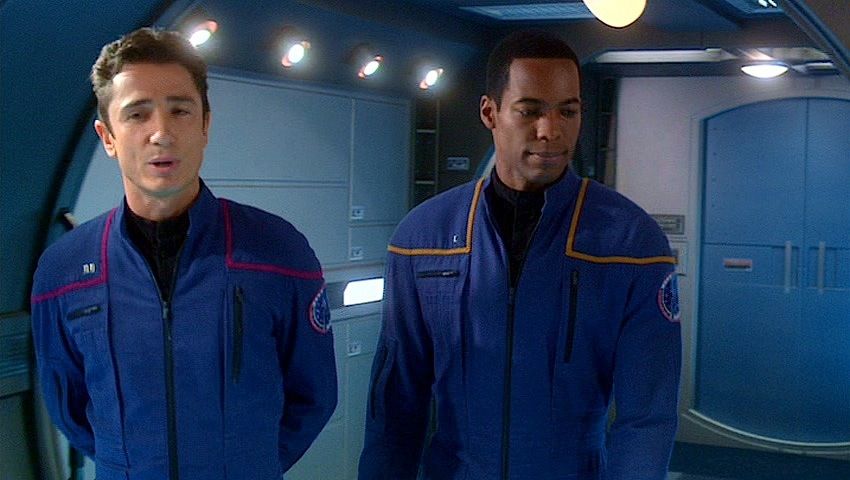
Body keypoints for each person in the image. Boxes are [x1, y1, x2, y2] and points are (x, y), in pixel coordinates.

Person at [359, 30, 681, 480]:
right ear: (489, 113)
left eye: (568, 111)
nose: (550, 131)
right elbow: (396, 405)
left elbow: (646, 417)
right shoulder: (423, 237)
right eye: (530, 111)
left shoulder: (631, 243)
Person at [30, 27, 337, 480]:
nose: (161, 133)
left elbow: (313, 397)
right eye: (137, 114)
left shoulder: (277, 251)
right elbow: (70, 409)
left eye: (180, 110)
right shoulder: (64, 271)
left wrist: (245, 466)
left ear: (205, 124)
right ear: (107, 136)